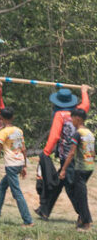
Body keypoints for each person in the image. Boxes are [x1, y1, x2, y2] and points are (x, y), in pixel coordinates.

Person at [36, 85, 91, 219]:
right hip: (78, 155)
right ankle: (45, 209)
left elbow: (54, 136)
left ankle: (83, 215)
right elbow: (86, 104)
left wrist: (46, 152)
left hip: (67, 156)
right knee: (58, 181)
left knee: (70, 186)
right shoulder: (78, 112)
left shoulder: (60, 115)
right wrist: (84, 91)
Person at [0, 108, 32, 227]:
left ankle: (28, 220)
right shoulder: (18, 131)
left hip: (11, 165)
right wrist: (24, 165)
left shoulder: (3, 132)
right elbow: (23, 149)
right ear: (13, 117)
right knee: (2, 187)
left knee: (17, 193)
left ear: (2, 118)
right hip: (19, 163)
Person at [59, 108, 93, 231]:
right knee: (79, 193)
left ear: (77, 119)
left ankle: (86, 223)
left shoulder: (77, 134)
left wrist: (63, 169)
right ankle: (82, 220)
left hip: (81, 168)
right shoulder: (89, 133)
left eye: (72, 118)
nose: (71, 121)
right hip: (90, 167)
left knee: (81, 196)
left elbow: (71, 153)